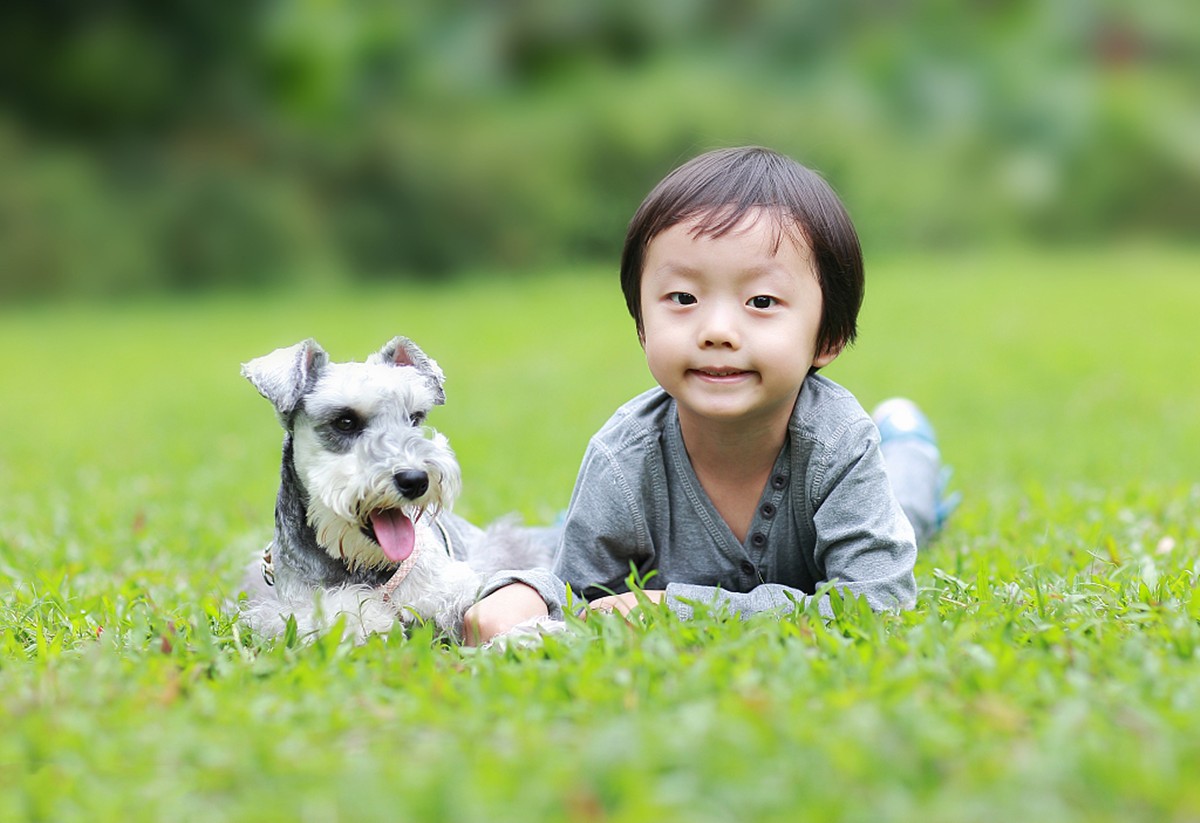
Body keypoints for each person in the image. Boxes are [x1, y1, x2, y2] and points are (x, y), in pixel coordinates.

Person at [463, 146, 953, 645]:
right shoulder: (622, 458)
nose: (717, 331)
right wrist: (523, 594)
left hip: (868, 472)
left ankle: (908, 442)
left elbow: (877, 602)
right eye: (683, 298)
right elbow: (583, 599)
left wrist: (674, 607)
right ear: (642, 326)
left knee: (904, 514)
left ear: (827, 338)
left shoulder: (839, 442)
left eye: (761, 301)